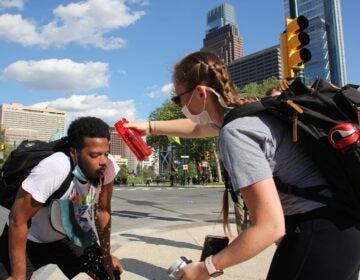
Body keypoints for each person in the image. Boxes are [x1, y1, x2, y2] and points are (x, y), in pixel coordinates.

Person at [125, 51, 360, 280]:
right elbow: (198, 128)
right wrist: (150, 126)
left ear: (199, 93)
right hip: (345, 229)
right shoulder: (250, 113)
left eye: (178, 98)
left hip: (319, 233)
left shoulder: (236, 132)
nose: (179, 106)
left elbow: (269, 226)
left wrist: (205, 268)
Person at [0, 116, 122, 280]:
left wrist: (106, 256)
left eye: (106, 153)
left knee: (110, 274)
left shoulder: (108, 166)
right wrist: (17, 275)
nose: (103, 161)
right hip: (28, 240)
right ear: (74, 153)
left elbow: (103, 211)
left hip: (69, 234)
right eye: (94, 155)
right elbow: (17, 219)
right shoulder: (55, 168)